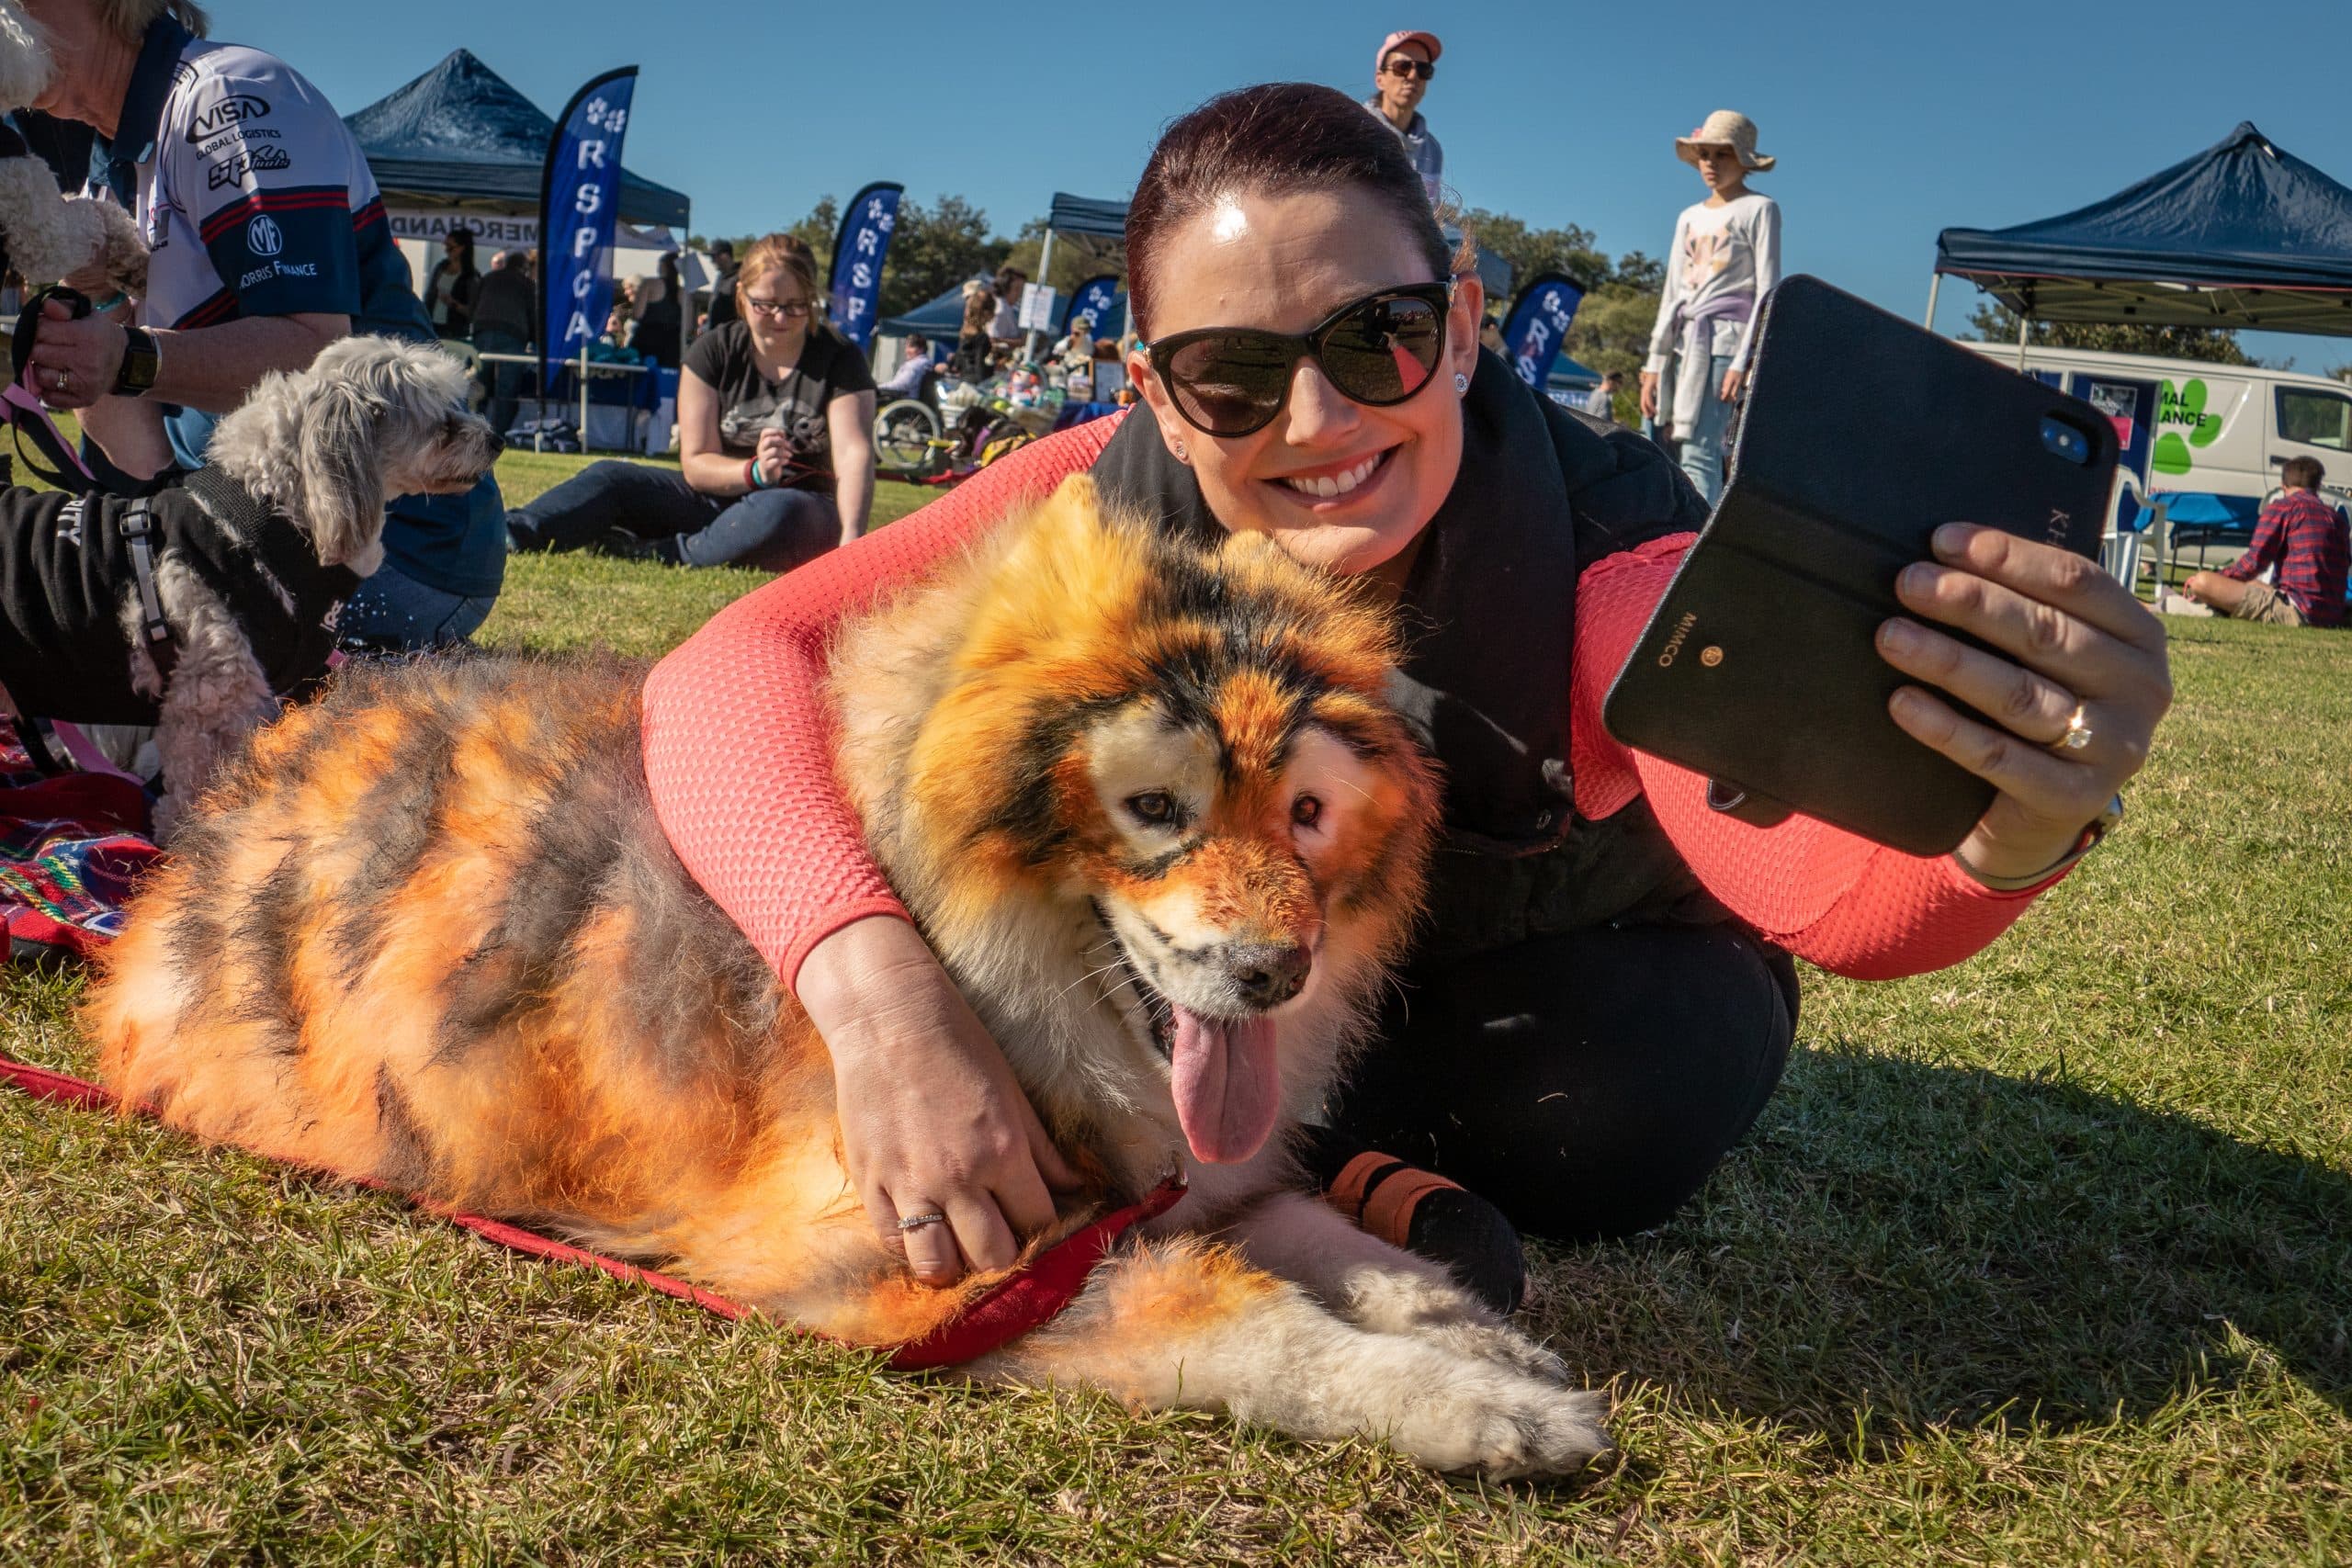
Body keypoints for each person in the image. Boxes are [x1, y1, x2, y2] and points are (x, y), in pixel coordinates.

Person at [635, 84, 2173, 1302]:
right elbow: (725, 670)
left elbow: (1835, 904)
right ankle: (1266, 1165)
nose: (1316, 420)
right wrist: (880, 1001)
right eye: (1235, 374)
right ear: (1154, 395)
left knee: (1626, 1101)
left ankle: (1292, 1166)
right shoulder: (1087, 501)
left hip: (1536, 977)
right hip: (1226, 962)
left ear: (1466, 326)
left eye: (1381, 338)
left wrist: (2017, 825)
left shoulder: (1610, 556)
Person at [21, 0, 506, 649]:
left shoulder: (228, 97)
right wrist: (96, 306)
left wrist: (126, 355)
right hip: (241, 530)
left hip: (388, 550)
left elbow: (313, 348)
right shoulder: (112, 163)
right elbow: (145, 456)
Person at [505, 232, 874, 570]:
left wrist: (852, 540)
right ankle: (510, 533)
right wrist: (755, 472)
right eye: (767, 305)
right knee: (610, 476)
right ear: (742, 297)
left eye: (795, 306)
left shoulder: (839, 356)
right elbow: (697, 464)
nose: (780, 317)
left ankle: (660, 552)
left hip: (802, 505)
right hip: (715, 498)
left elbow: (853, 454)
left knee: (781, 508)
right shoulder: (713, 350)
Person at [1641, 109, 1781, 508]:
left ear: (1744, 160)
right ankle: (1675, 534)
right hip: (1682, 341)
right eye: (1705, 154)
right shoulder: (1689, 216)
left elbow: (1767, 289)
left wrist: (1745, 359)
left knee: (1702, 450)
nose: (1711, 164)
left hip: (1724, 343)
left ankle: (1698, 542)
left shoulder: (1760, 210)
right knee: (1665, 444)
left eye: (1722, 155)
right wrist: (1653, 361)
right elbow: (1673, 290)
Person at [2171, 457, 2348, 627]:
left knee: (2202, 582)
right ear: (2318, 486)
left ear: (2283, 487)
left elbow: (2253, 563)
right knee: (2251, 585)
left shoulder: (2283, 507)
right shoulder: (2337, 518)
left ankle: (2185, 604)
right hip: (2333, 613)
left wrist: (2218, 577)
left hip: (2298, 611)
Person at [1363, 29, 1442, 205]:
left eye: (1424, 70)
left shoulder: (1433, 150)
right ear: (1379, 79)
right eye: (1402, 67)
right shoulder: (1354, 132)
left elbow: (1431, 215)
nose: (1413, 76)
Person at [469, 249, 535, 438]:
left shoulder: (489, 277)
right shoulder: (527, 284)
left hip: (483, 332)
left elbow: (473, 306)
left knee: (480, 385)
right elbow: (534, 316)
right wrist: (537, 341)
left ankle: (474, 430)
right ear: (524, 268)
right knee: (507, 389)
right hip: (513, 335)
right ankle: (498, 434)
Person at [422, 227, 481, 343]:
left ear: (462, 248)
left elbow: (474, 311)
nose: (446, 251)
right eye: (445, 246)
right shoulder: (440, 267)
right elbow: (429, 295)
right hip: (432, 326)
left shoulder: (471, 276)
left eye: (450, 248)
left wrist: (453, 304)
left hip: (455, 330)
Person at [629, 274, 682, 369]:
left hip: (648, 339)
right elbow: (689, 323)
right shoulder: (683, 292)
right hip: (673, 344)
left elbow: (637, 314)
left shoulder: (650, 283)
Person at [948, 282, 995, 379]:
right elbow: (979, 364)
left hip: (965, 377)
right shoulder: (981, 336)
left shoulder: (966, 331)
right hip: (974, 380)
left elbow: (963, 354)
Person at [875, 333, 937, 401]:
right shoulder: (926, 364)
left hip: (905, 401)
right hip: (911, 400)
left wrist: (878, 387)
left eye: (911, 347)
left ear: (921, 349)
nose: (906, 351)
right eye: (906, 347)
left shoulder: (915, 366)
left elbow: (901, 385)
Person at [705, 239, 739, 331]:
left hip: (729, 336)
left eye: (713, 257)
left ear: (725, 256)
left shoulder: (740, 279)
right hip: (715, 335)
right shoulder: (720, 277)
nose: (711, 261)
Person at [989, 265, 1027, 344]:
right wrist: (1023, 342)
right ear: (1005, 287)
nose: (1019, 294)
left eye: (1021, 289)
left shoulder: (1006, 307)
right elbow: (993, 340)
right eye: (1016, 289)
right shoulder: (1000, 310)